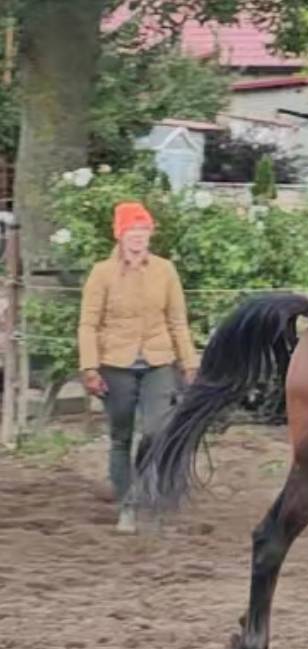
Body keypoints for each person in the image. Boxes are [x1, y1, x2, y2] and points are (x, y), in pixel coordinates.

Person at [78, 202, 198, 533]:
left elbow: (177, 321)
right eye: (132, 231)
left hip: (158, 361)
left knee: (157, 430)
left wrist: (189, 363)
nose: (138, 238)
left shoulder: (165, 270)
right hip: (114, 363)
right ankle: (127, 504)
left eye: (143, 232)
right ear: (120, 235)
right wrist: (89, 367)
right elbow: (88, 324)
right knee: (120, 436)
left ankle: (148, 492)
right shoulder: (101, 273)